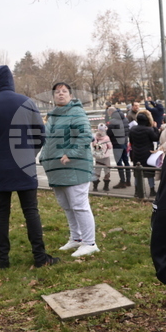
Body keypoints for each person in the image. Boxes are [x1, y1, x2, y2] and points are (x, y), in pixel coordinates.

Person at [0, 66, 59, 269]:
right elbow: (40, 134)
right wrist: (30, 154)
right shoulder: (26, 103)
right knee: (31, 211)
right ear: (11, 81)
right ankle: (39, 256)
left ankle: (3, 260)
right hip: (25, 164)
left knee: (1, 213)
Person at [39, 82, 99, 258]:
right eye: (57, 92)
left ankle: (90, 243)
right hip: (57, 169)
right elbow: (49, 140)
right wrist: (44, 157)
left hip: (74, 167)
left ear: (71, 96)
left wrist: (71, 154)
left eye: (64, 92)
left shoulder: (76, 112)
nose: (60, 94)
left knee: (79, 205)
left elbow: (85, 135)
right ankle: (77, 238)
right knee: (67, 206)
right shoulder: (53, 116)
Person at [128, 112, 159, 196]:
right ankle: (152, 190)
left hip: (136, 153)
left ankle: (137, 191)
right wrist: (155, 128)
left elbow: (131, 141)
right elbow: (155, 138)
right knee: (149, 173)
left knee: (137, 173)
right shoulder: (149, 130)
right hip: (147, 153)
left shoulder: (132, 129)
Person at [105, 103, 131, 189]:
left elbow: (109, 133)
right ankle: (128, 180)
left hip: (117, 144)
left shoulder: (112, 121)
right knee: (126, 162)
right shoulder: (125, 119)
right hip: (125, 142)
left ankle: (122, 181)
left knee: (119, 163)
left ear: (111, 112)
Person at [91, 123, 113, 191]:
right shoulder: (106, 138)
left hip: (98, 157)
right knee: (107, 171)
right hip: (106, 157)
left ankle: (95, 187)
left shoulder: (95, 137)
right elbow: (110, 147)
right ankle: (106, 187)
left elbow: (93, 145)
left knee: (97, 171)